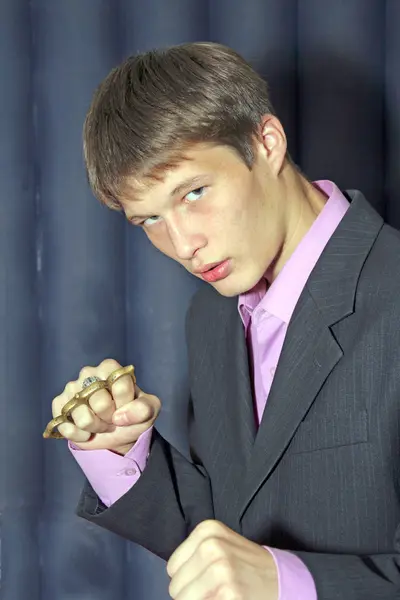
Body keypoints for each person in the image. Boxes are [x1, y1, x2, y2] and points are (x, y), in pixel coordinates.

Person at [47, 42, 400, 599]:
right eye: (149, 220)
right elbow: (233, 535)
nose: (184, 244)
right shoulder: (211, 315)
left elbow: (267, 575)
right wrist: (121, 452)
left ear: (267, 142)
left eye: (194, 192)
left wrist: (291, 582)